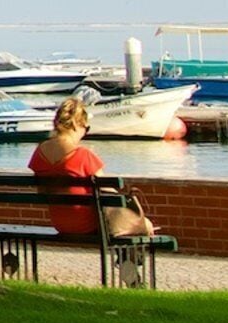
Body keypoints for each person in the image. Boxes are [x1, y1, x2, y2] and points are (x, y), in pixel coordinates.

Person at [25, 96, 152, 245]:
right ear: (76, 125)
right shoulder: (83, 156)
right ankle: (130, 265)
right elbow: (108, 191)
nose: (85, 133)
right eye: (86, 128)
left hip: (59, 223)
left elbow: (41, 191)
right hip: (88, 225)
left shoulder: (39, 153)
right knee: (145, 225)